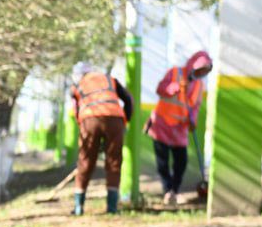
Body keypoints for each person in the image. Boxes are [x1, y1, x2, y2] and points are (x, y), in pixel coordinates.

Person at [146, 50, 213, 205]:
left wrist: (193, 120)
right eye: (200, 69)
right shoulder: (175, 73)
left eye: (205, 71)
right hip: (162, 124)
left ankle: (174, 190)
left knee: (181, 162)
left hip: (180, 128)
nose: (201, 73)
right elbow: (160, 90)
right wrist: (175, 87)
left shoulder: (199, 85)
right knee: (162, 162)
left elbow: (194, 107)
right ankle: (168, 190)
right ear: (193, 66)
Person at [70, 63, 133, 216]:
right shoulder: (109, 79)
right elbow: (129, 100)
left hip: (90, 119)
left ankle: (79, 207)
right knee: (114, 162)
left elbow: (76, 110)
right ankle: (112, 208)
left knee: (85, 161)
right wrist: (125, 122)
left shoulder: (78, 85)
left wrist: (86, 133)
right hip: (115, 120)